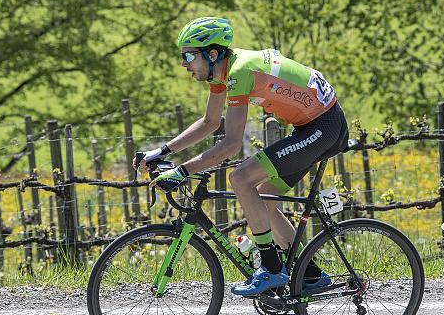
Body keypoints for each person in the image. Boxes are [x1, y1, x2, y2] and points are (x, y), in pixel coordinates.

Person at [133, 16, 349, 297]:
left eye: (188, 56)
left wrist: (182, 171)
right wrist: (161, 152)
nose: (184, 64)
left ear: (212, 54)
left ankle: (272, 270)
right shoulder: (222, 73)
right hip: (310, 127)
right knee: (265, 198)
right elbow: (210, 122)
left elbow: (231, 144)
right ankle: (310, 274)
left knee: (241, 178)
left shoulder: (240, 71)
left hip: (323, 126)